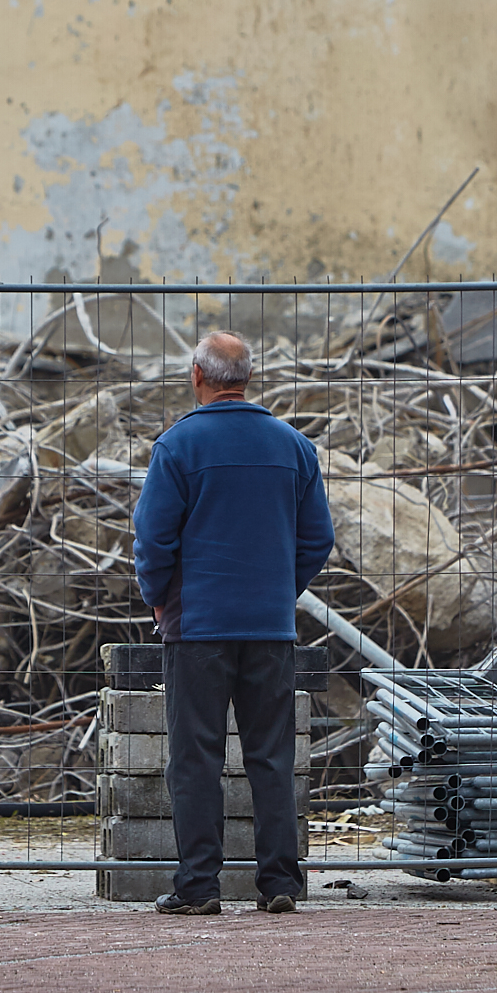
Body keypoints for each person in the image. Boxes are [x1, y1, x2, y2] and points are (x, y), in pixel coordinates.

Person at [132, 330, 335, 915]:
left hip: (197, 626)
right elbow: (318, 538)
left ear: (198, 376)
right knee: (271, 755)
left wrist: (159, 600)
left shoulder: (176, 447)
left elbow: (153, 539)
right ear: (247, 377)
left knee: (195, 757)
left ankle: (199, 887)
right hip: (270, 628)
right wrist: (277, 591)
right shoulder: (294, 446)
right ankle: (280, 884)